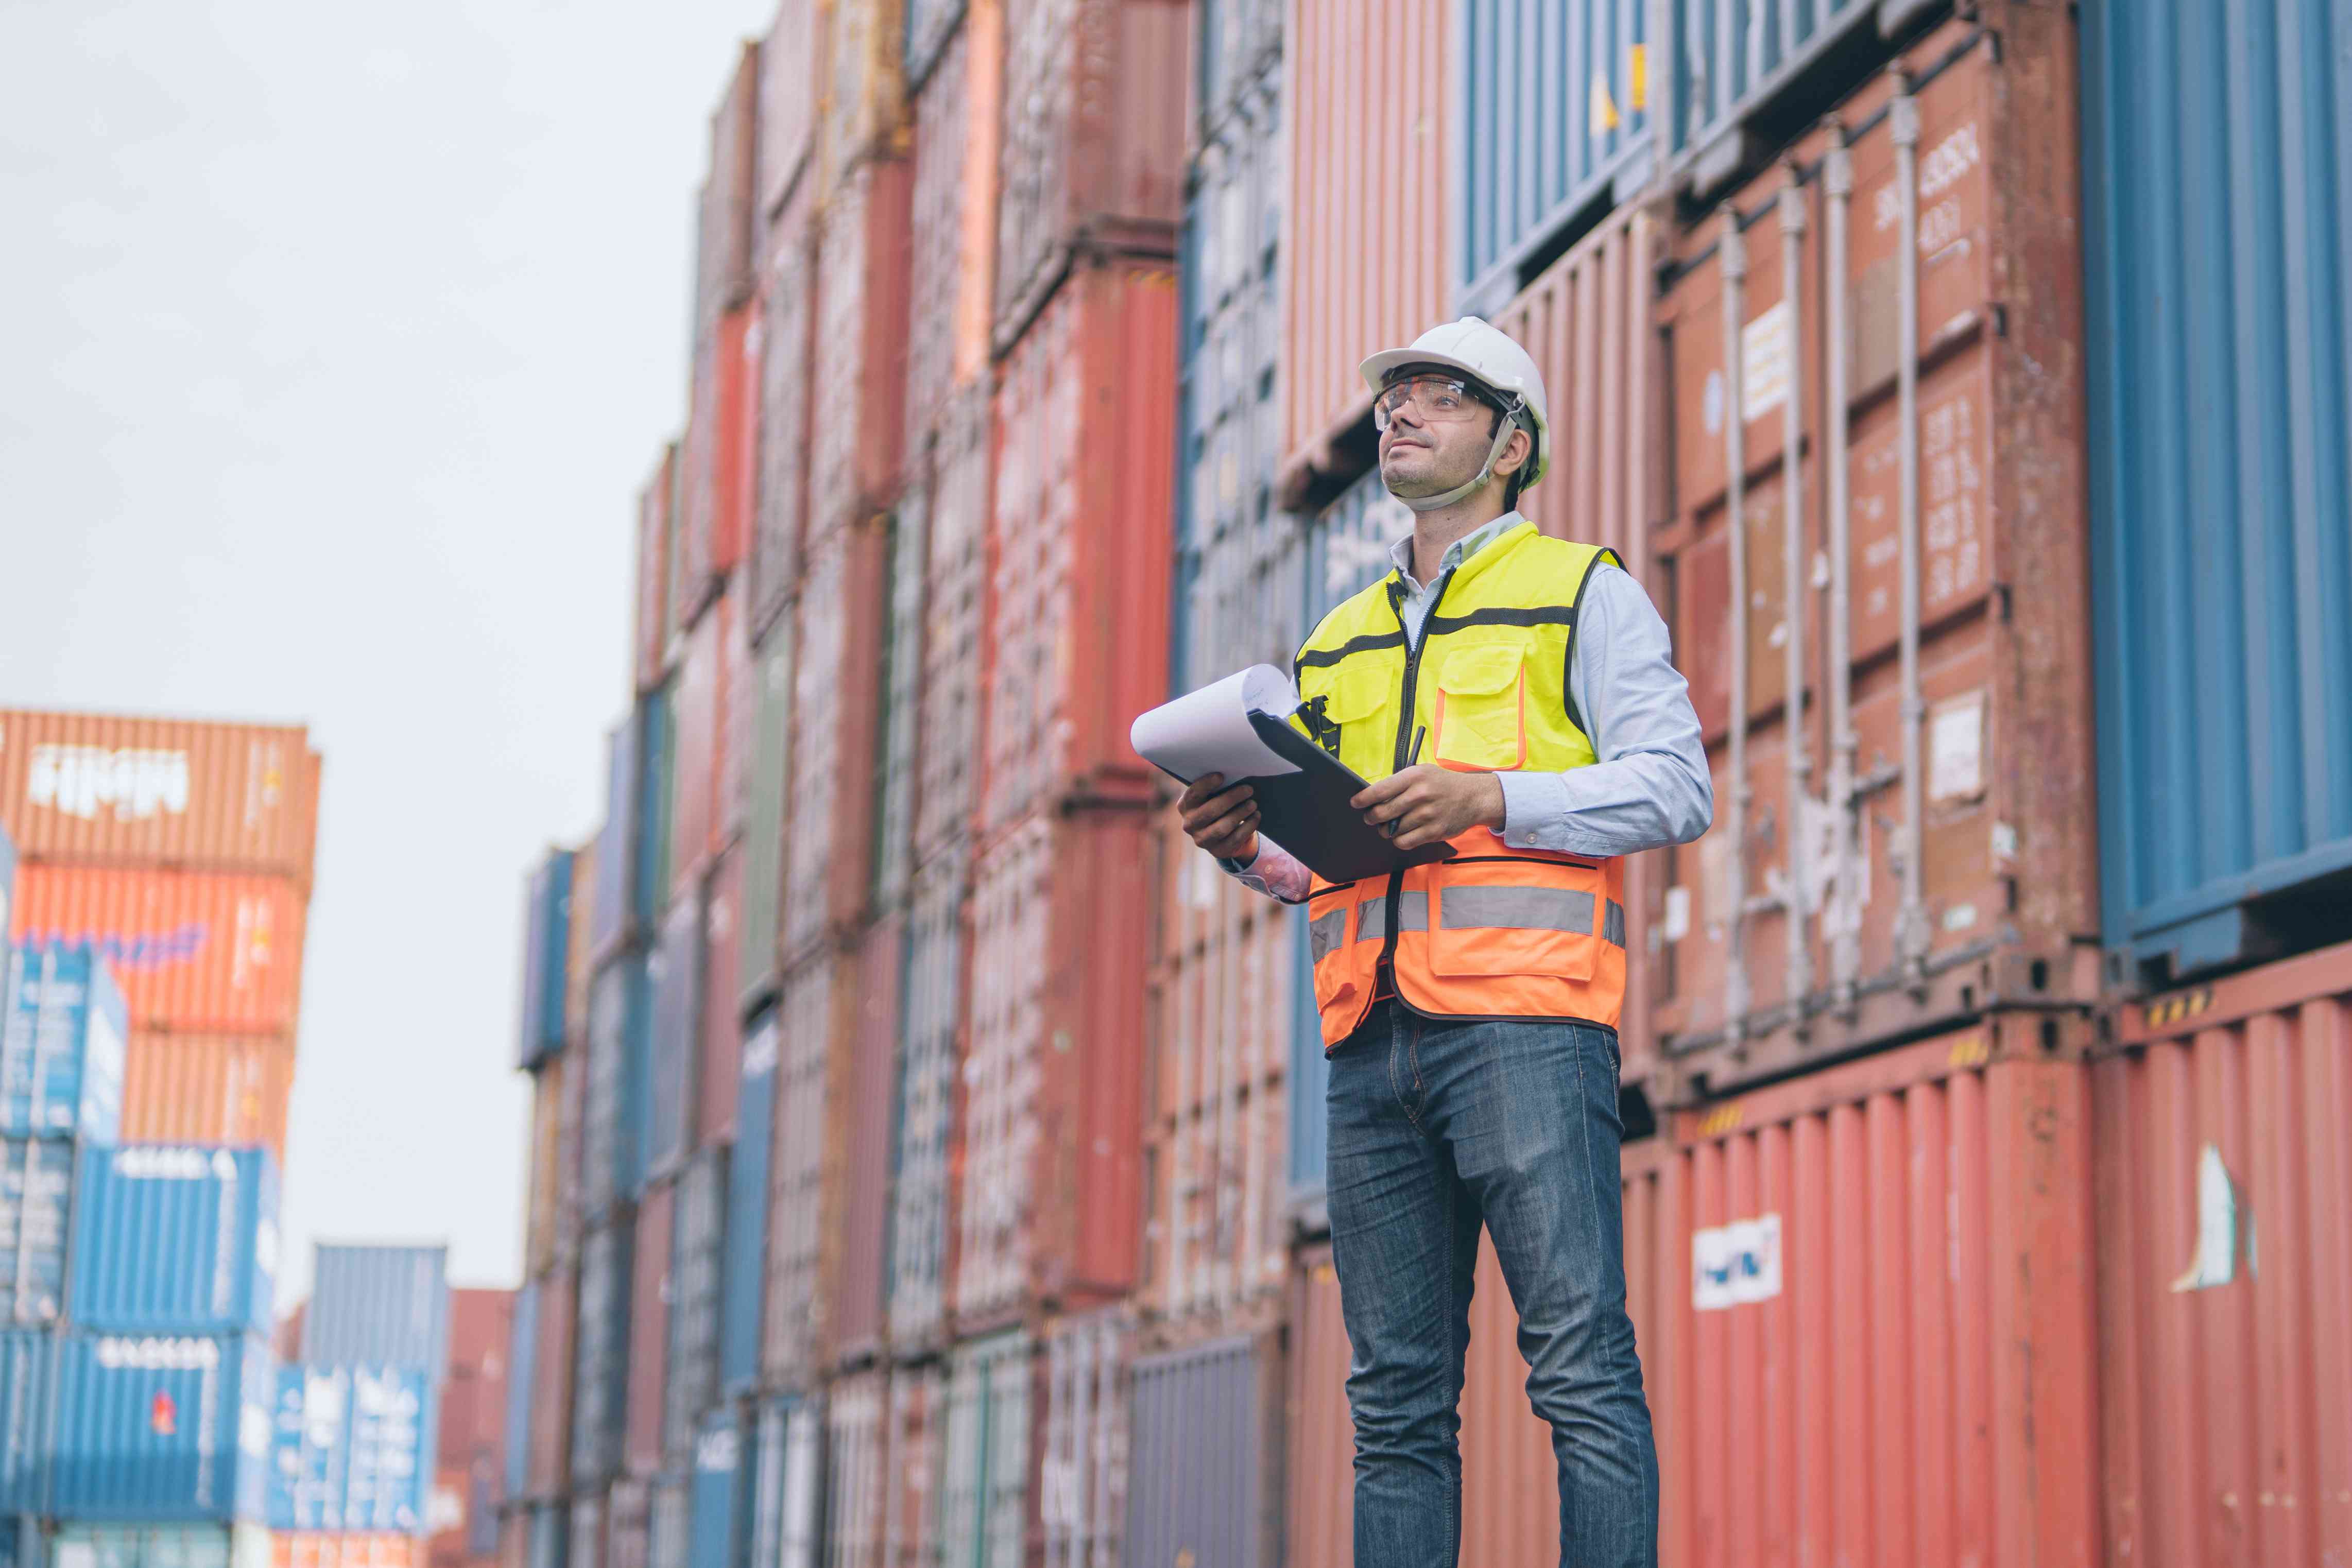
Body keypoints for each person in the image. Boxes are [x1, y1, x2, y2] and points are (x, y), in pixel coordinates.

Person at [1174, 318, 1711, 1566]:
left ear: (1511, 442)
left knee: (1579, 1368)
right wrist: (1243, 845)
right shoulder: (1335, 637)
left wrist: (1494, 795)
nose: (1399, 411)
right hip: (1369, 1046)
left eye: (1439, 395)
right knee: (1392, 1408)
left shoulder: (1585, 591)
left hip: (1525, 1029)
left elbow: (1678, 786)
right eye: (1394, 395)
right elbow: (1326, 861)